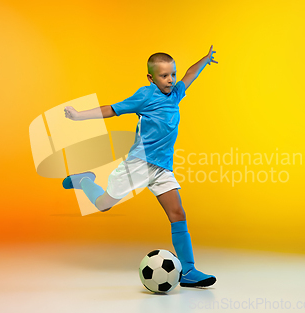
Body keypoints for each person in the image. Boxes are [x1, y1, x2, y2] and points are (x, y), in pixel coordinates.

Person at [63, 46, 218, 288]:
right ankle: (83, 180)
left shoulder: (176, 93)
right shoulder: (145, 96)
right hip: (139, 164)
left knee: (178, 214)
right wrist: (78, 115)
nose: (170, 80)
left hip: (162, 168)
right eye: (164, 76)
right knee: (103, 204)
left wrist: (205, 60)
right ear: (151, 78)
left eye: (172, 74)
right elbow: (112, 110)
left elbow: (190, 74)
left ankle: (188, 270)